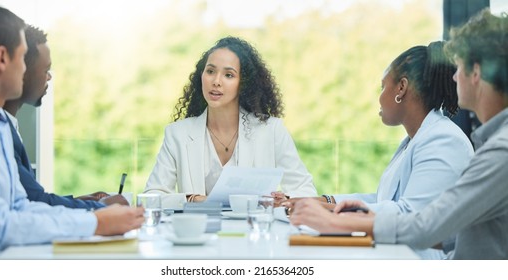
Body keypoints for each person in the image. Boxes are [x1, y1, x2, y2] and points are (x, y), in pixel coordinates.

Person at [290, 9, 508, 260]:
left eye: (459, 67)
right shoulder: (489, 144)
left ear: (476, 73)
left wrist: (338, 222)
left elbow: (425, 225)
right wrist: (341, 209)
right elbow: (448, 230)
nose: (455, 76)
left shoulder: (495, 149)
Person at [0, 4, 144, 259]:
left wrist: (94, 215)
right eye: (22, 56)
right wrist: (96, 223)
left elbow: (21, 207)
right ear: (2, 58)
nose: (26, 68)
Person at [144, 36, 317, 203]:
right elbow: (152, 196)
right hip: (199, 232)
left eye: (229, 75)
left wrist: (284, 200)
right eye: (210, 71)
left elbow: (305, 190)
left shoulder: (271, 130)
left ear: (244, 83)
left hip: (253, 230)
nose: (216, 81)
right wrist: (193, 199)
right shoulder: (178, 134)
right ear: (201, 76)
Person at [3, 24, 127, 209]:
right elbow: (34, 200)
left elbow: (31, 199)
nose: (49, 78)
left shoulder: (9, 125)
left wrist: (79, 201)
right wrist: (98, 207)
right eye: (46, 70)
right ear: (23, 71)